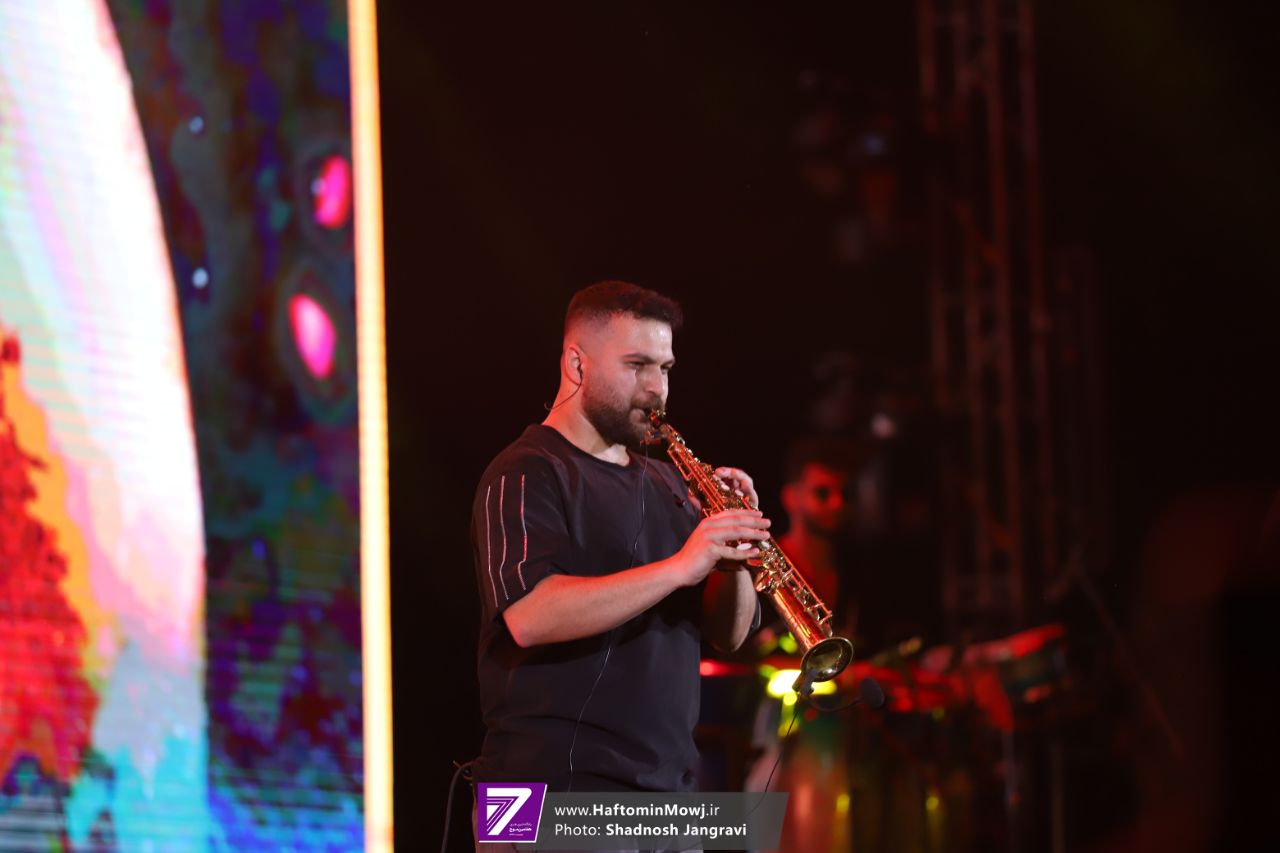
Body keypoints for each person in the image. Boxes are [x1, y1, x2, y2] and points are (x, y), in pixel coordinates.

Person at [467, 281, 769, 843]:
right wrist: (681, 565)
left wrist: (731, 554)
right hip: (540, 795)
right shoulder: (525, 471)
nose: (657, 389)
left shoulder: (671, 484)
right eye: (636, 366)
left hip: (664, 799)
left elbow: (728, 637)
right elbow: (529, 616)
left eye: (666, 368)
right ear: (576, 364)